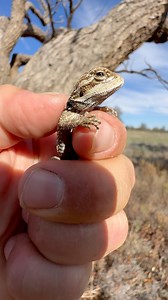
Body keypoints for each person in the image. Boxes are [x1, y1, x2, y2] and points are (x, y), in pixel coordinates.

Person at [0, 85, 135, 300]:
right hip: (61, 161)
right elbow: (64, 121)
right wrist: (82, 122)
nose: (109, 80)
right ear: (82, 90)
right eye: (99, 77)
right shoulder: (70, 111)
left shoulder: (84, 111)